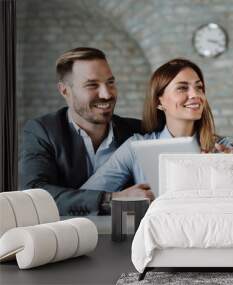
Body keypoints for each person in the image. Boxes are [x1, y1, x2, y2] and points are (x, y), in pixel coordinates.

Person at [81, 58, 233, 197]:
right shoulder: (136, 147)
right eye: (182, 88)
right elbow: (86, 195)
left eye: (199, 87)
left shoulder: (223, 149)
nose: (195, 95)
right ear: (159, 102)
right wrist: (117, 197)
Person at [19, 47, 143, 216]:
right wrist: (110, 199)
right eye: (92, 85)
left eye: (110, 82)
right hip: (66, 238)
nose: (106, 94)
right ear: (65, 91)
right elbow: (33, 194)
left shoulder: (137, 131)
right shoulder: (42, 131)